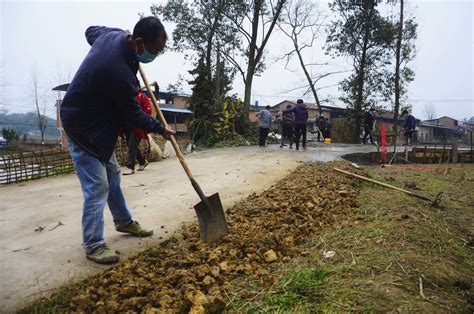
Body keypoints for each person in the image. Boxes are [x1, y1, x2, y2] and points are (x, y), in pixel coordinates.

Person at [60, 17, 175, 264]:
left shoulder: (114, 36)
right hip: (82, 126)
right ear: (140, 43)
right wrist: (160, 128)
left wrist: (117, 34)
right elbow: (133, 115)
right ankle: (93, 244)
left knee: (112, 176)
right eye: (154, 51)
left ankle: (123, 222)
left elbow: (90, 29)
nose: (154, 56)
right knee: (97, 186)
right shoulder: (117, 72)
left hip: (99, 124)